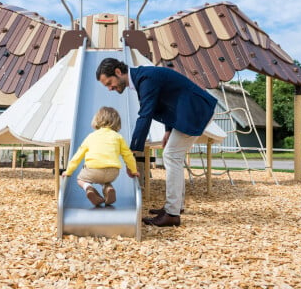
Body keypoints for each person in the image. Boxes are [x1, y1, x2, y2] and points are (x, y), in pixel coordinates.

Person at [96, 58, 217, 226]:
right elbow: (170, 99)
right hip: (188, 111)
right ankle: (176, 206)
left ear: (118, 72)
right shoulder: (143, 78)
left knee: (171, 155)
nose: (110, 88)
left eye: (110, 83)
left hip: (195, 111)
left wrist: (132, 151)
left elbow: (145, 115)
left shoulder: (146, 79)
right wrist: (168, 130)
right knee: (174, 156)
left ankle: (172, 214)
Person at [62, 106, 138, 206]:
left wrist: (68, 171)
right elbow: (128, 155)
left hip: (93, 170)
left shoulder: (91, 136)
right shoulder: (118, 137)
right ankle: (108, 188)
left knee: (80, 180)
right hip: (113, 172)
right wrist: (134, 170)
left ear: (96, 120)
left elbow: (78, 156)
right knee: (105, 181)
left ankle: (89, 188)